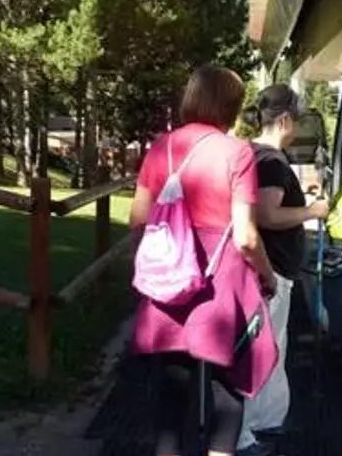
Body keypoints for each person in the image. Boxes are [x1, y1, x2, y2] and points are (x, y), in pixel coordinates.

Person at [128, 65, 279, 456]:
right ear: (231, 105)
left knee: (171, 393)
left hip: (168, 280)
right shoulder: (237, 152)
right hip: (220, 284)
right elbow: (246, 236)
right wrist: (268, 275)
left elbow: (138, 219)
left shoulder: (161, 147)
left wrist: (147, 270)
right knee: (228, 392)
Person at [237, 84, 330, 456]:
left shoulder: (252, 153)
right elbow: (266, 214)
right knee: (264, 352)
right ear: (286, 120)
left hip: (264, 269)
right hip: (270, 271)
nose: (299, 128)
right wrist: (311, 211)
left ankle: (264, 423)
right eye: (299, 120)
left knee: (266, 349)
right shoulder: (273, 160)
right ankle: (248, 434)